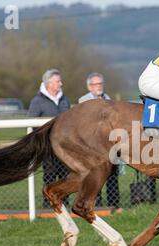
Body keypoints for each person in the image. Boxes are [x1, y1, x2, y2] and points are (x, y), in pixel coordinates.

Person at [78, 72, 123, 213]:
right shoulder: (83, 101)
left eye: (100, 84)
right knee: (95, 175)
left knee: (112, 174)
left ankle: (114, 204)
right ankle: (95, 203)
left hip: (109, 145)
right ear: (89, 86)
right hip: (93, 146)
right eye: (96, 84)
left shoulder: (108, 99)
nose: (99, 86)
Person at [28, 69, 71, 208]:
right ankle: (48, 204)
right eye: (58, 81)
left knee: (65, 175)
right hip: (48, 147)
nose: (61, 84)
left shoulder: (65, 100)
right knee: (50, 175)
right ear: (49, 83)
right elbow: (32, 124)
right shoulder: (37, 102)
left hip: (65, 146)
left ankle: (64, 202)